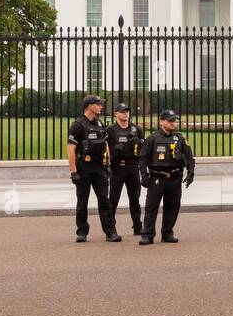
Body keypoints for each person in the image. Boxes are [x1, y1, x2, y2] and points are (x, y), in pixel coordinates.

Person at [137, 108, 195, 245]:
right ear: (161, 122)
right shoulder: (152, 138)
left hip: (175, 177)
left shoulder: (180, 138)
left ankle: (167, 232)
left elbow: (190, 157)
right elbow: (143, 158)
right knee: (151, 207)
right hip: (157, 177)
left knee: (173, 206)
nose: (173, 123)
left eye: (174, 120)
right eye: (170, 121)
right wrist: (143, 174)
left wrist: (191, 171)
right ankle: (148, 234)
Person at [67, 94, 120, 243]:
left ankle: (110, 232)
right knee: (82, 201)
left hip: (99, 167)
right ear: (89, 106)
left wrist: (107, 163)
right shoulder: (78, 125)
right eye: (98, 104)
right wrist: (73, 171)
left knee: (104, 199)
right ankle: (82, 232)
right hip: (84, 167)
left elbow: (105, 144)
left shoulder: (100, 124)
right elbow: (71, 148)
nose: (101, 106)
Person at [105, 102, 145, 236]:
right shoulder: (110, 130)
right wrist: (113, 152)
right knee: (113, 200)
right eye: (122, 111)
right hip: (117, 167)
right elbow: (105, 148)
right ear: (116, 113)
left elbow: (144, 147)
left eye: (127, 111)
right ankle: (111, 228)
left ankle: (138, 226)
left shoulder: (136, 129)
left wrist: (139, 142)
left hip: (133, 166)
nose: (125, 113)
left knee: (135, 199)